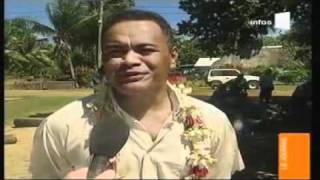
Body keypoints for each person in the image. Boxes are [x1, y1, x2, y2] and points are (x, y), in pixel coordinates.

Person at [29, 9, 244, 179]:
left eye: (145, 50)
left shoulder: (213, 122)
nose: (130, 60)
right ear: (104, 60)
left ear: (173, 56)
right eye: (116, 52)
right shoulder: (61, 126)